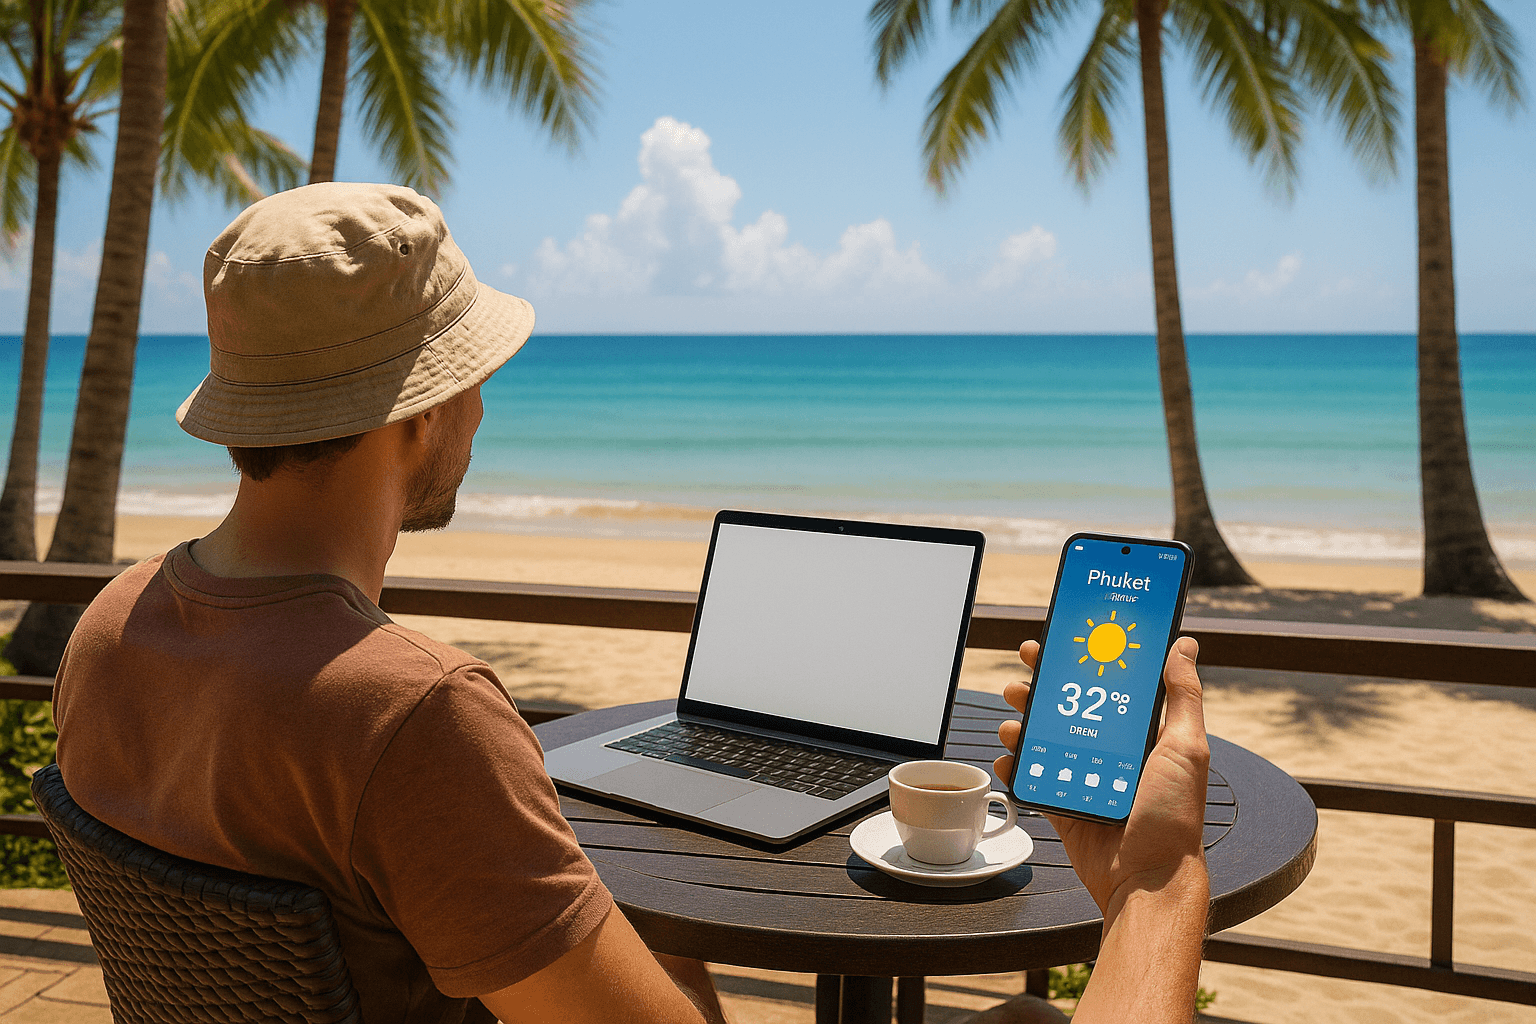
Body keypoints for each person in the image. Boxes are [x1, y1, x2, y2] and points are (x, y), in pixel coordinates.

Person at [51, 181, 1210, 1024]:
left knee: (657, 947)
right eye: (469, 385)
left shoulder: (109, 629)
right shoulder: (412, 714)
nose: (481, 416)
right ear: (412, 415)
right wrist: (1155, 875)